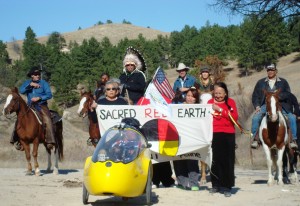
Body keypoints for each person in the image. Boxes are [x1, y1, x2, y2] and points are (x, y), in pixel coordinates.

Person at [251, 64, 298, 149]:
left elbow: (288, 93)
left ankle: (293, 140)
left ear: (276, 71)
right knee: (255, 118)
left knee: (291, 118)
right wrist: (257, 106)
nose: (270, 71)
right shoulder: (260, 82)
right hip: (266, 104)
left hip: (281, 104)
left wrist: (277, 96)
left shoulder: (283, 82)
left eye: (272, 70)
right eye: (268, 70)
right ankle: (255, 139)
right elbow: (255, 96)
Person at [10, 66, 56, 150]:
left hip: (41, 105)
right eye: (35, 74)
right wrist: (30, 85)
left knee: (47, 119)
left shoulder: (44, 83)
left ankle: (50, 140)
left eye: (38, 74)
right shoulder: (27, 83)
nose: (38, 75)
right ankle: (17, 140)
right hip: (30, 106)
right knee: (19, 119)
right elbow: (21, 91)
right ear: (31, 75)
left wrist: (39, 98)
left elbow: (49, 94)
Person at [136, 96, 175, 188]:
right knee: (152, 158)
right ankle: (154, 180)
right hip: (149, 132)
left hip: (163, 131)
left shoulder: (166, 99)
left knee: (164, 157)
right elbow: (138, 112)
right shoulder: (142, 100)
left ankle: (167, 180)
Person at [207, 82, 238, 197]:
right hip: (214, 134)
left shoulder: (231, 102)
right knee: (215, 160)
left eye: (220, 93)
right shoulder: (209, 103)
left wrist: (220, 109)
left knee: (228, 160)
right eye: (216, 93)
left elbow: (234, 118)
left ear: (225, 94)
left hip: (228, 134)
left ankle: (227, 186)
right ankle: (216, 184)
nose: (218, 95)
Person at [173, 87, 200, 191]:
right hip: (179, 138)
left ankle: (194, 183)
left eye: (193, 97)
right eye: (188, 96)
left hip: (193, 139)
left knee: (192, 160)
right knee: (179, 160)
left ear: (196, 99)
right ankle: (181, 182)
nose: (190, 98)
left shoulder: (200, 109)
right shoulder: (179, 107)